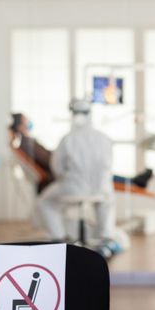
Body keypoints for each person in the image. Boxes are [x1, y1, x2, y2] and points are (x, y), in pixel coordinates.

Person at [33, 105, 120, 249]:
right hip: (101, 188)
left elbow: (57, 167)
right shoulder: (104, 138)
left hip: (73, 187)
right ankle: (106, 238)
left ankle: (58, 238)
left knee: (44, 202)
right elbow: (109, 165)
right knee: (107, 200)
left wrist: (65, 178)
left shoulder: (68, 138)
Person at [9, 113, 153, 194]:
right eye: (25, 120)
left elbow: (50, 157)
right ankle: (134, 181)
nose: (29, 121)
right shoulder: (27, 143)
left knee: (100, 173)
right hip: (64, 176)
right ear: (20, 126)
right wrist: (67, 155)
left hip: (68, 172)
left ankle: (134, 181)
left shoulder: (28, 142)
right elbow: (50, 161)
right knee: (97, 174)